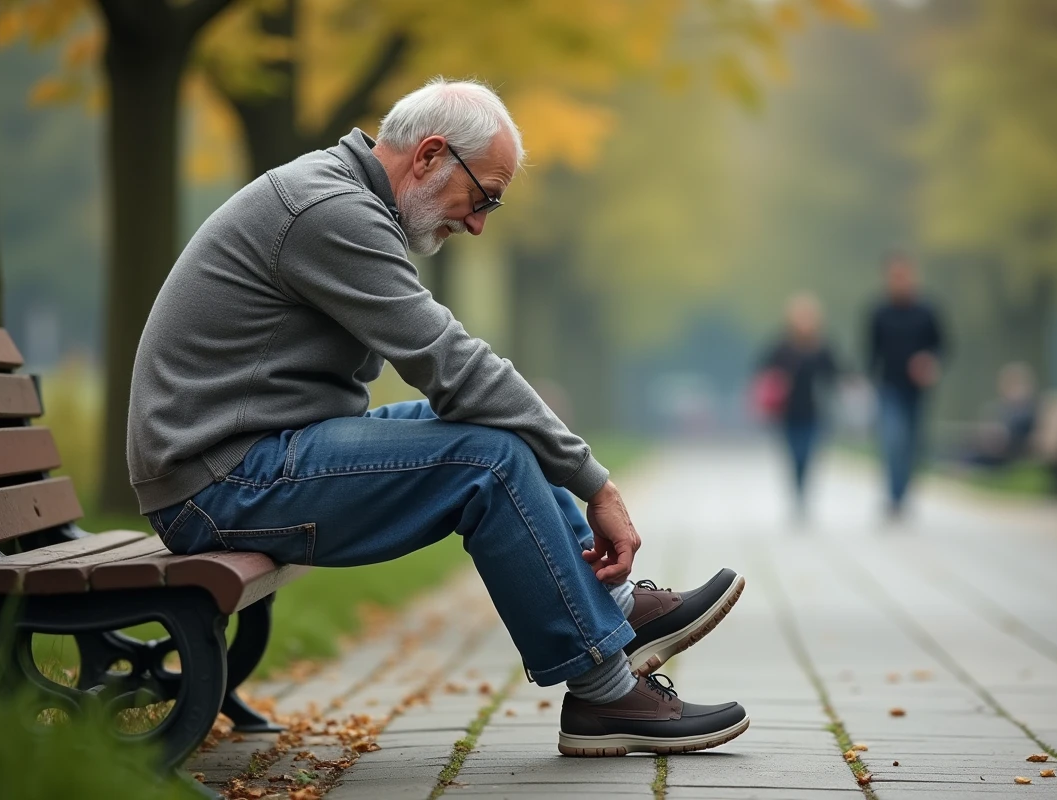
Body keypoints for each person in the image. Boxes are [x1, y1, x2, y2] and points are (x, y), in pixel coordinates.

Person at [127, 78, 748, 756]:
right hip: (218, 483)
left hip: (250, 456)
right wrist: (595, 483)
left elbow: (458, 381)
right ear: (427, 156)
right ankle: (604, 694)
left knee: (491, 432)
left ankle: (615, 614)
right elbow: (449, 361)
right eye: (482, 197)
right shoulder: (329, 211)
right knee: (489, 458)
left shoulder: (341, 196)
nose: (478, 224)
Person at [866, 253, 946, 518]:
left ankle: (904, 493)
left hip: (917, 390)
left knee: (911, 443)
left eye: (904, 275)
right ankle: (894, 496)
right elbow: (871, 352)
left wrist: (930, 362)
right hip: (888, 387)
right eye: (894, 275)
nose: (900, 281)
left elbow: (941, 346)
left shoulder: (927, 311)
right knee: (892, 440)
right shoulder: (879, 312)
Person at [756, 294, 838, 516]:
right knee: (793, 456)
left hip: (814, 411)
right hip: (787, 412)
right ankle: (797, 494)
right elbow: (763, 370)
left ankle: (803, 494)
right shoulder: (781, 347)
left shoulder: (821, 348)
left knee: (808, 455)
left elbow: (834, 373)